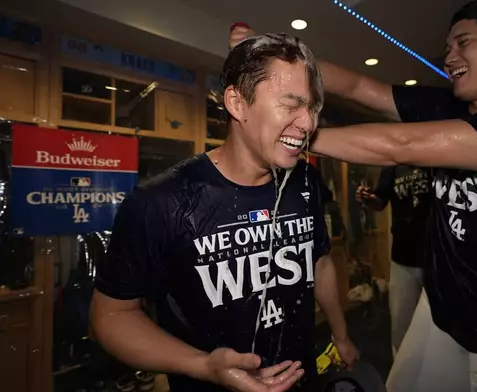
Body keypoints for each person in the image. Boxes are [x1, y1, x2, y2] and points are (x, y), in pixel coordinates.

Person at [230, 1, 477, 390]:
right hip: (443, 313)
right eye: (448, 46)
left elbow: (399, 145)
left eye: (463, 42)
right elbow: (357, 87)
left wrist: (287, 137)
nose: (450, 56)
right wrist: (269, 54)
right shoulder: (448, 105)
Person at [90, 32, 358, 392]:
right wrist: (203, 366)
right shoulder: (162, 201)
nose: (308, 123)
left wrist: (341, 334)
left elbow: (320, 263)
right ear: (237, 102)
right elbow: (111, 316)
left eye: (312, 108)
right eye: (290, 104)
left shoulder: (305, 180)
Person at [355, 166, 430, 356]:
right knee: (401, 323)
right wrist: (368, 199)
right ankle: (402, 379)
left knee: (437, 327)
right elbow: (380, 200)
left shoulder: (435, 155)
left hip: (436, 256)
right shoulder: (394, 163)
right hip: (403, 255)